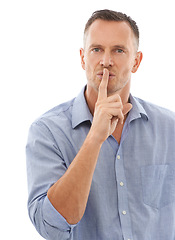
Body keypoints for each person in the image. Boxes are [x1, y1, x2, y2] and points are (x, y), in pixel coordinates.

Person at [26, 9, 175, 240]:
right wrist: (95, 137)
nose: (106, 61)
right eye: (96, 49)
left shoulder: (170, 129)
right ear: (82, 58)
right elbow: (52, 228)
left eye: (118, 50)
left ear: (136, 61)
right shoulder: (47, 132)